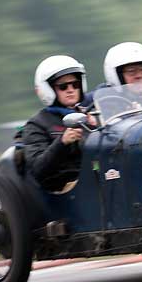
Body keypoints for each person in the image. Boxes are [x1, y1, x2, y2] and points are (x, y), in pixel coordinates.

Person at [22, 55, 88, 191]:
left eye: (75, 84)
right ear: (49, 90)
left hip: (96, 177)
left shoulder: (90, 116)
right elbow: (38, 169)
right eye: (63, 86)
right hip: (67, 187)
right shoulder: (37, 124)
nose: (71, 89)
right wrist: (62, 142)